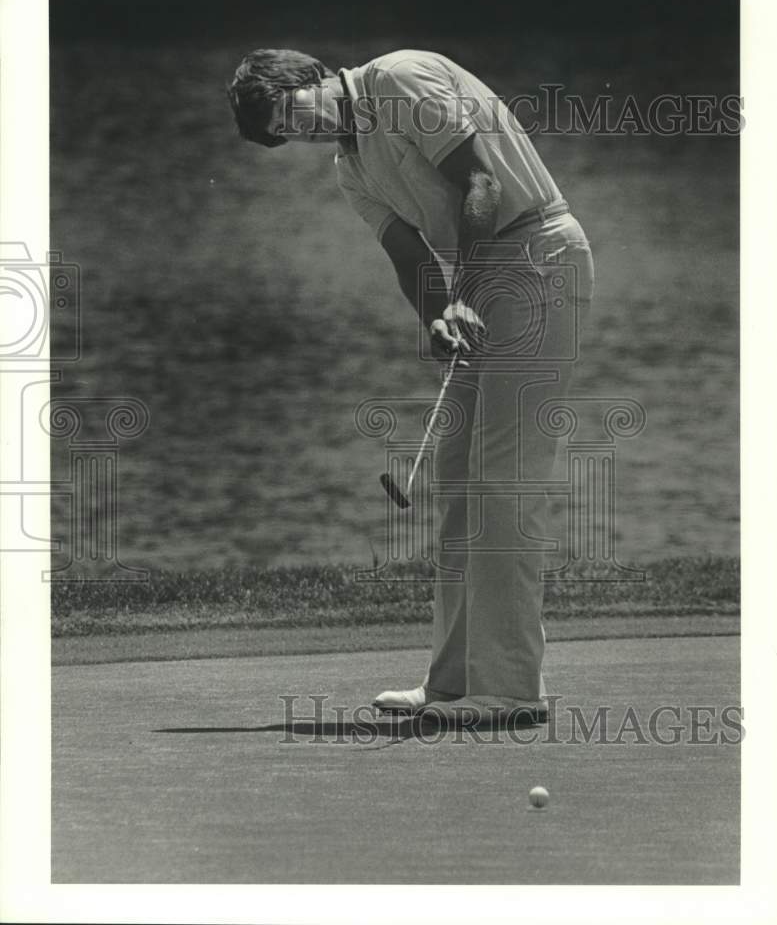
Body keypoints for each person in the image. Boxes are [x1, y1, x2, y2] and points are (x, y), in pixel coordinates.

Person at [227, 48, 594, 728]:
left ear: (309, 78)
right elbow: (409, 255)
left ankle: (511, 688)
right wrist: (436, 316)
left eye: (289, 112)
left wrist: (465, 293)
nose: (298, 131)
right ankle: (454, 681)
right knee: (458, 479)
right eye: (283, 134)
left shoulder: (398, 78)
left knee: (501, 479)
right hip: (484, 276)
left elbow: (479, 183)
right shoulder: (351, 165)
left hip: (536, 258)